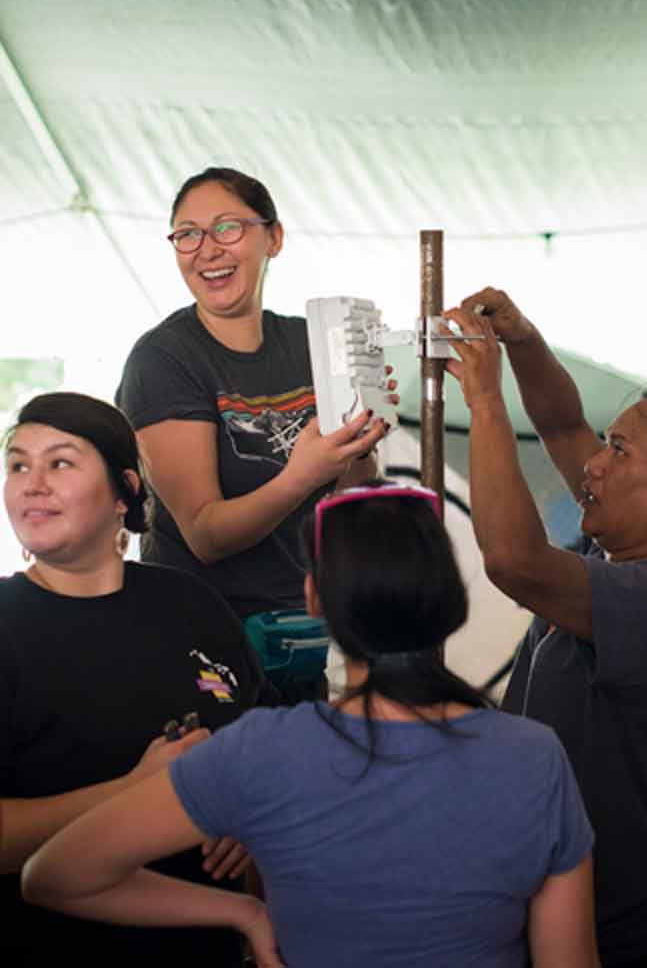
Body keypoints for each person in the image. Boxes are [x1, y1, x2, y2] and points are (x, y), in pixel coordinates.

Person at [22, 481, 599, 968]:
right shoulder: (533, 756)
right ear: (451, 600)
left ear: (314, 600)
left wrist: (243, 912)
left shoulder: (264, 750)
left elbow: (53, 874)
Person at [443, 289, 647, 967]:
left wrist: (485, 401)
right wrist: (522, 340)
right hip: (560, 921)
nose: (594, 465)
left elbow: (514, 561)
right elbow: (558, 421)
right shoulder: (618, 550)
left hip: (632, 942)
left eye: (619, 451)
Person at [0, 392, 276, 965]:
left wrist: (244, 809)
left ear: (124, 491)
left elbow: (268, 738)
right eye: (18, 464)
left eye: (60, 462)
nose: (32, 483)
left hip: (208, 946)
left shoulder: (189, 601)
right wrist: (144, 792)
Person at [115, 166, 389, 623]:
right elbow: (205, 535)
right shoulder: (163, 360)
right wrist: (299, 476)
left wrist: (360, 437)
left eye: (227, 227)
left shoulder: (310, 342)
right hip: (202, 628)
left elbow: (350, 495)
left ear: (274, 238)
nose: (208, 249)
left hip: (304, 619)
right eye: (188, 234)